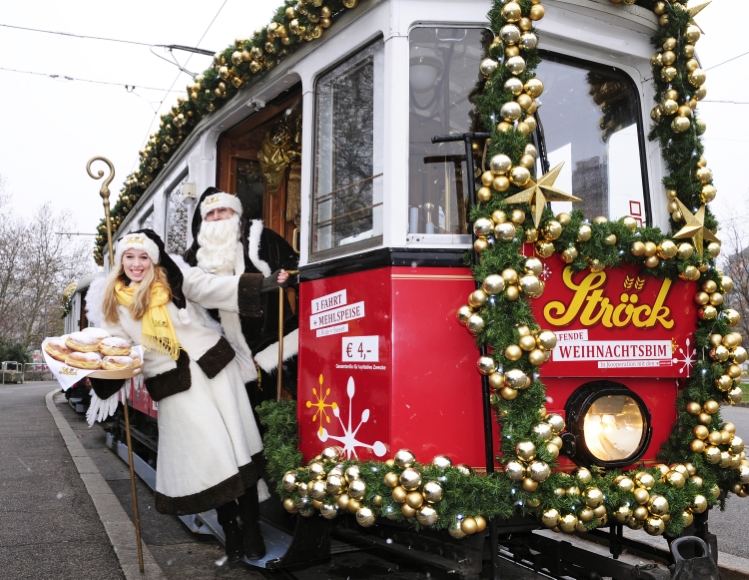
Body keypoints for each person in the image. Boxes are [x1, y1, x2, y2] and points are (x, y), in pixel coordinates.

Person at [86, 229, 288, 562]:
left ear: (153, 258)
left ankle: (250, 530)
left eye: (143, 256)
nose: (137, 264)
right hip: (176, 387)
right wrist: (93, 367)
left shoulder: (174, 280)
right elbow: (116, 350)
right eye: (130, 257)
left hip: (215, 372)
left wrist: (265, 283)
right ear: (121, 261)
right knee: (211, 458)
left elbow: (213, 288)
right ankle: (232, 529)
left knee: (238, 450)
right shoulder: (114, 304)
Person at [182, 187, 299, 412]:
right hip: (217, 353)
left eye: (222, 210)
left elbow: (297, 270)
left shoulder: (263, 240)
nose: (216, 217)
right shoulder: (190, 258)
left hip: (268, 348)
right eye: (210, 213)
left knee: (267, 417)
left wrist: (288, 279)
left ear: (235, 212)